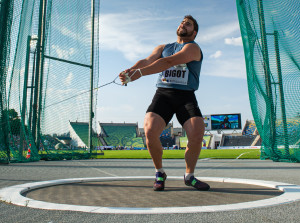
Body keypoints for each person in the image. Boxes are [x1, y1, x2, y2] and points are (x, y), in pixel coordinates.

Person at [119, 15, 210, 191]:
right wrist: (129, 71)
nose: (184, 24)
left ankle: (189, 176)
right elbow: (146, 61)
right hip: (164, 94)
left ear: (194, 32)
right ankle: (159, 172)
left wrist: (138, 74)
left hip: (185, 96)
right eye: (182, 22)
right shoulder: (163, 47)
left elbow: (169, 61)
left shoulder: (193, 48)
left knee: (197, 133)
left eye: (188, 24)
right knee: (150, 131)